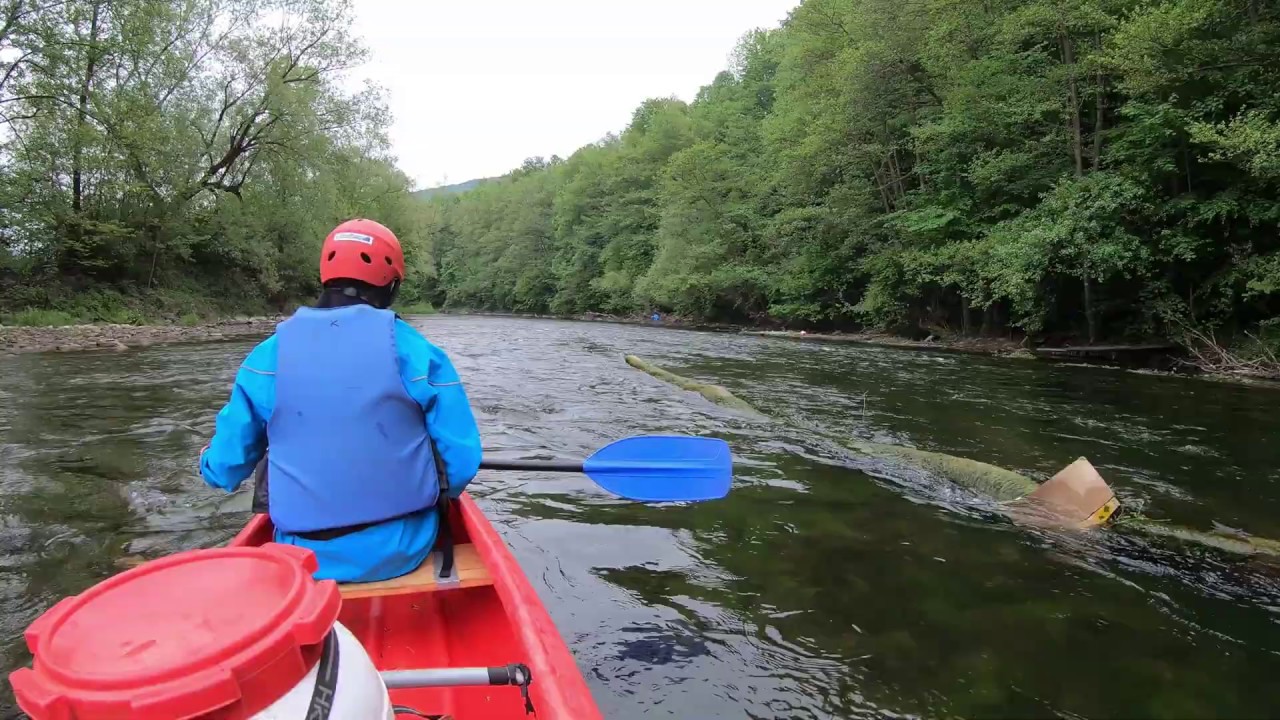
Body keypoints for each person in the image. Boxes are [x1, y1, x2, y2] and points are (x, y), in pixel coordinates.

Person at [198, 219, 482, 583]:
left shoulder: (265, 358)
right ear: (391, 285)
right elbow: (463, 460)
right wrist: (434, 485)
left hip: (303, 558)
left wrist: (207, 462)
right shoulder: (418, 352)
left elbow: (225, 469)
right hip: (403, 549)